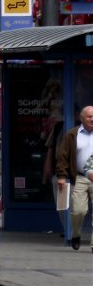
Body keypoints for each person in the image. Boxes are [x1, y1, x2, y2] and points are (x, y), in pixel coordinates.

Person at [55, 105, 93, 250]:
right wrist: (61, 176)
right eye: (89, 116)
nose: (92, 119)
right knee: (79, 211)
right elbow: (62, 156)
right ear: (81, 118)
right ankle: (76, 234)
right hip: (80, 178)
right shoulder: (72, 134)